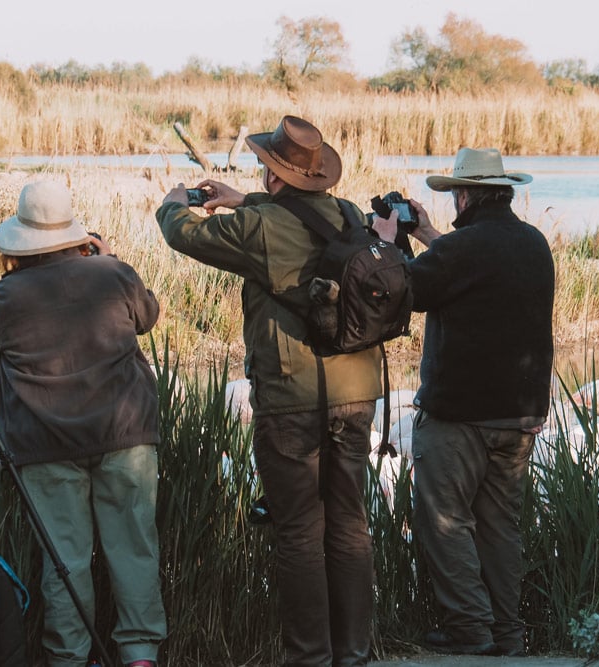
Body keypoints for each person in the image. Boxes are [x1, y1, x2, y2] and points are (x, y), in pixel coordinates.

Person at [155, 115, 382, 666]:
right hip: (356, 392)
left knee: (300, 530)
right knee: (350, 525)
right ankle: (353, 653)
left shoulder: (260, 229)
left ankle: (309, 657)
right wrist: (243, 199)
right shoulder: (349, 215)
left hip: (291, 396)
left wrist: (171, 201)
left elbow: (183, 234)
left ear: (275, 175)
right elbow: (288, 216)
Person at [371, 147, 555, 657]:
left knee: (443, 519)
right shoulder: (533, 243)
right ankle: (508, 633)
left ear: (467, 194)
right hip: (519, 414)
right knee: (500, 526)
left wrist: (388, 244)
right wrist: (426, 234)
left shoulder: (463, 250)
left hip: (460, 415)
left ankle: (469, 629)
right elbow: (465, 266)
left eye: (455, 193)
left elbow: (407, 288)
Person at [0, 179, 166, 667]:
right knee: (134, 550)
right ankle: (140, 655)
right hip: (126, 435)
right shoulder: (112, 273)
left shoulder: (8, 293)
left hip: (45, 443)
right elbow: (148, 315)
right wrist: (108, 259)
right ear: (75, 236)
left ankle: (69, 658)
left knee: (65, 561)